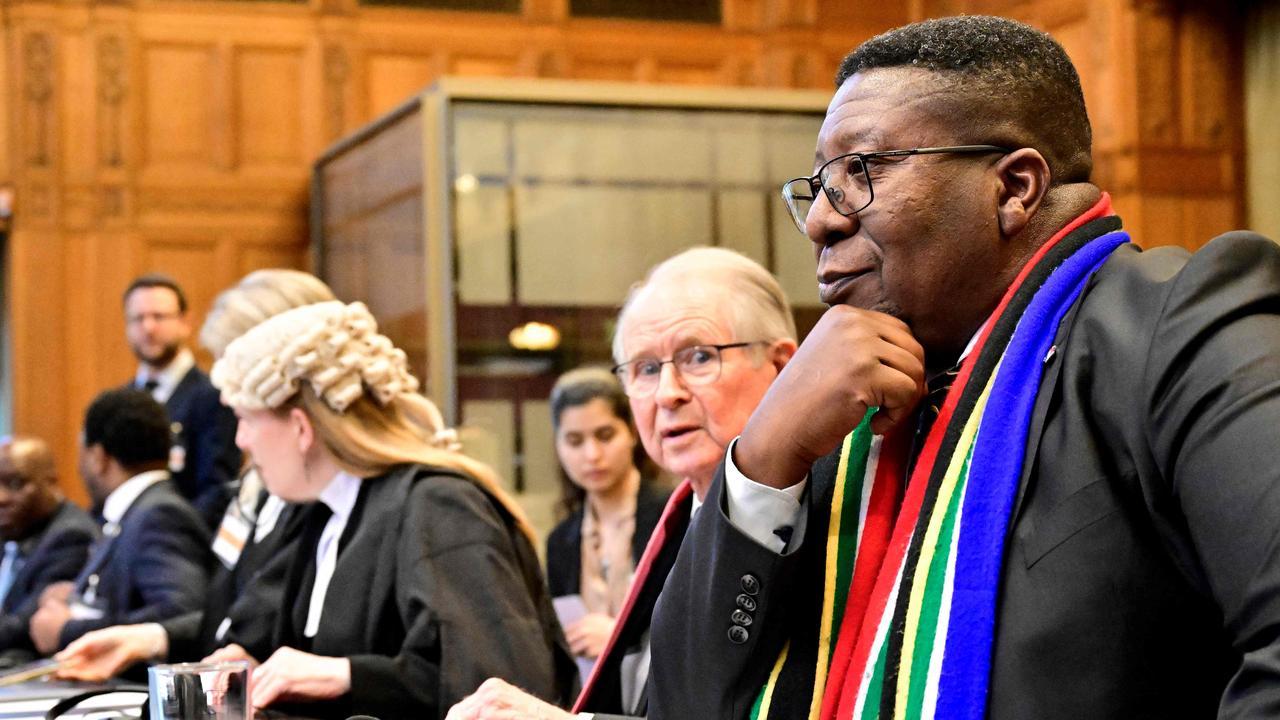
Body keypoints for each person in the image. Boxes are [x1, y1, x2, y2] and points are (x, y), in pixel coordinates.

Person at [647, 15, 1280, 720]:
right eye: (820, 184)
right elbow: (680, 703)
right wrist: (764, 457)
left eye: (861, 170)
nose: (822, 220)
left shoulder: (1176, 323)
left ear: (1014, 188)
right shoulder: (835, 409)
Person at [447, 246, 798, 720]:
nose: (668, 394)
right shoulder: (678, 523)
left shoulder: (820, 521)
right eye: (647, 369)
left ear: (780, 366)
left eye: (698, 357)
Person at [202, 300, 574, 719]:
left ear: (301, 428)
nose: (240, 441)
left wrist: (344, 675)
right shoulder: (320, 513)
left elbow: (492, 688)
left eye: (245, 419)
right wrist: (255, 665)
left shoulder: (440, 505)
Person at [55, 269, 336, 679]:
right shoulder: (257, 491)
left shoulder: (337, 497)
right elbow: (230, 615)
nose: (228, 397)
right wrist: (148, 637)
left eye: (240, 373)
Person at [29, 389, 211, 655]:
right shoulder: (138, 509)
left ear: (99, 457)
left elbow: (181, 614)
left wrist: (69, 630)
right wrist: (75, 597)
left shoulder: (160, 515)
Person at [545, 367, 670, 668]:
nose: (592, 455)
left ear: (631, 432)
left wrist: (620, 638)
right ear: (559, 446)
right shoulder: (560, 541)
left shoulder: (674, 515)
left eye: (605, 435)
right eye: (575, 441)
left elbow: (697, 626)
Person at [123, 273, 241, 529]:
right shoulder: (126, 399)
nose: (148, 327)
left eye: (159, 316)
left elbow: (218, 489)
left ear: (185, 322)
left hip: (182, 539)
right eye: (138, 318)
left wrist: (174, 535)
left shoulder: (213, 395)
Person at [0, 436, 98, 661]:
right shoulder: (12, 530)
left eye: (15, 483)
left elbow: (24, 628)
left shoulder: (71, 536)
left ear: (51, 482)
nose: (1, 497)